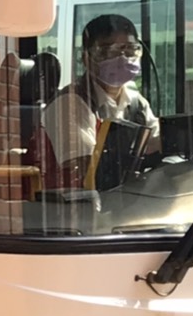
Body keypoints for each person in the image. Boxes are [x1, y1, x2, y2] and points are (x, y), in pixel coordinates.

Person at [43, 14, 159, 191]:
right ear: (86, 59)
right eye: (108, 52)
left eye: (129, 50)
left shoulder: (136, 102)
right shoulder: (68, 104)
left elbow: (158, 140)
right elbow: (87, 169)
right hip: (75, 210)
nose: (121, 59)